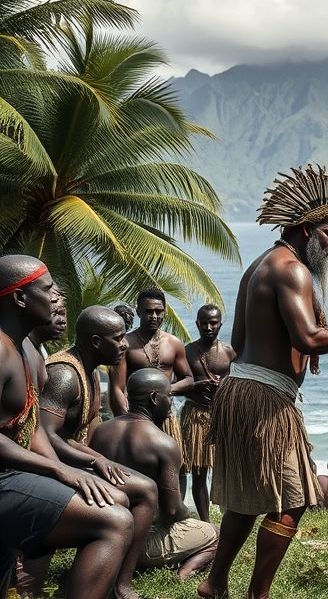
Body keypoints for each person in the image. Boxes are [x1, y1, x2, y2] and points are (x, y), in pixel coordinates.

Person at [198, 164, 328, 599]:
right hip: (264, 399)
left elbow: (239, 341)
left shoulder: (259, 265)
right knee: (293, 497)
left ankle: (214, 584)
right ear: (305, 228)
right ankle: (257, 594)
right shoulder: (291, 269)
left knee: (244, 499)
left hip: (241, 389)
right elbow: (308, 338)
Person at [0, 255, 133, 599]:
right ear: (19, 298)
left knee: (114, 498)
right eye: (48, 290)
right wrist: (59, 472)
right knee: (114, 521)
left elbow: (35, 430)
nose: (59, 297)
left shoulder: (27, 350)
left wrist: (66, 469)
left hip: (14, 474)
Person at [21, 306, 159, 599]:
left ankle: (117, 585)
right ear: (96, 342)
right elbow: (44, 435)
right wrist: (94, 460)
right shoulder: (65, 375)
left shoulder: (92, 369)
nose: (124, 344)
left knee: (146, 489)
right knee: (121, 499)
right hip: (48, 466)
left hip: (71, 460)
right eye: (118, 338)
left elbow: (86, 430)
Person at [91, 368, 219, 581]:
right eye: (168, 396)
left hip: (102, 536)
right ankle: (184, 574)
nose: (170, 402)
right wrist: (188, 515)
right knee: (217, 533)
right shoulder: (163, 443)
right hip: (139, 544)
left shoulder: (102, 431)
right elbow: (171, 511)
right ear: (153, 398)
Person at [109, 287, 194, 478]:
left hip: (166, 417)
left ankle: (173, 507)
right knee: (138, 470)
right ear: (138, 311)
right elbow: (117, 387)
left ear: (165, 311)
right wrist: (127, 420)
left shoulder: (174, 344)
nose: (154, 316)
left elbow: (188, 380)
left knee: (175, 470)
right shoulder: (126, 344)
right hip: (136, 416)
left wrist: (166, 390)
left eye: (158, 311)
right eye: (148, 311)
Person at [181, 304, 236, 522]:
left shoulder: (230, 352)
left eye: (213, 323)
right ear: (197, 324)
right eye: (204, 323)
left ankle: (229, 518)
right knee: (199, 472)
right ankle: (206, 522)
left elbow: (239, 383)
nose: (208, 327)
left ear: (220, 324)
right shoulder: (187, 352)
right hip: (195, 416)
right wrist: (198, 384)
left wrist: (223, 386)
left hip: (222, 416)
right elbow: (175, 383)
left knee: (226, 469)